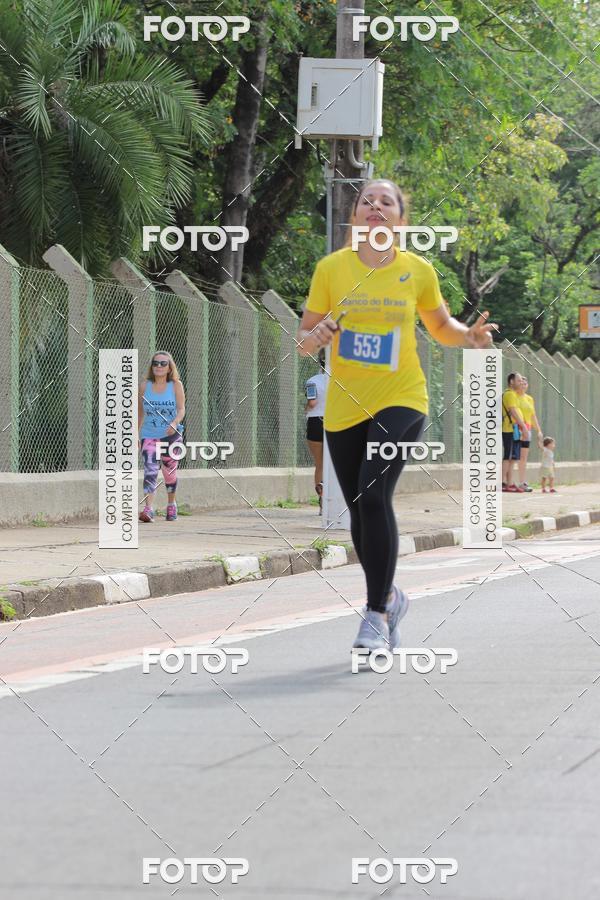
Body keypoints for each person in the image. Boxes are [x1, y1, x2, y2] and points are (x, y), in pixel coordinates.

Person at [297, 178, 497, 652]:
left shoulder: (418, 270)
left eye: (386, 201)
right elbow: (304, 339)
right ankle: (389, 596)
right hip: (344, 408)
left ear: (400, 220)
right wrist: (318, 335)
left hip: (403, 398)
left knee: (372, 494)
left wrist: (469, 338)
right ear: (355, 216)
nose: (376, 206)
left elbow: (442, 326)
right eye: (367, 199)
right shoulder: (332, 270)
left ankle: (374, 616)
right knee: (360, 515)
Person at [137, 351, 186, 522]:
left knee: (169, 473)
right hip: (149, 435)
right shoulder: (144, 386)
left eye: (163, 363)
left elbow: (181, 409)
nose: (158, 366)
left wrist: (174, 423)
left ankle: (171, 505)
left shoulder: (176, 385)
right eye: (155, 363)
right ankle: (148, 509)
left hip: (170, 436)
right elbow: (139, 412)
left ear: (169, 367)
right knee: (150, 471)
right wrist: (136, 434)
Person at [304, 352, 327, 511]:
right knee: (337, 463)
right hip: (337, 422)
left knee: (319, 464)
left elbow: (312, 403)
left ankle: (322, 499)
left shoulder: (312, 381)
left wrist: (305, 410)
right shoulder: (344, 380)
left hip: (316, 422)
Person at [514, 375, 543, 491]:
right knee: (511, 457)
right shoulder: (513, 396)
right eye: (521, 383)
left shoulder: (529, 399)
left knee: (523, 457)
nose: (523, 385)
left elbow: (532, 415)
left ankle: (522, 482)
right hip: (515, 428)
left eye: (525, 383)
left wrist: (539, 430)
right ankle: (506, 482)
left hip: (527, 430)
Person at [502, 373, 527, 493]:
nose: (521, 382)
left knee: (512, 459)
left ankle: (509, 483)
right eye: (519, 380)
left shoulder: (514, 395)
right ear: (511, 381)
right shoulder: (510, 394)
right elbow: (513, 412)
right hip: (510, 429)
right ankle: (502, 483)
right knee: (508, 457)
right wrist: (524, 427)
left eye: (522, 380)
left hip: (514, 429)